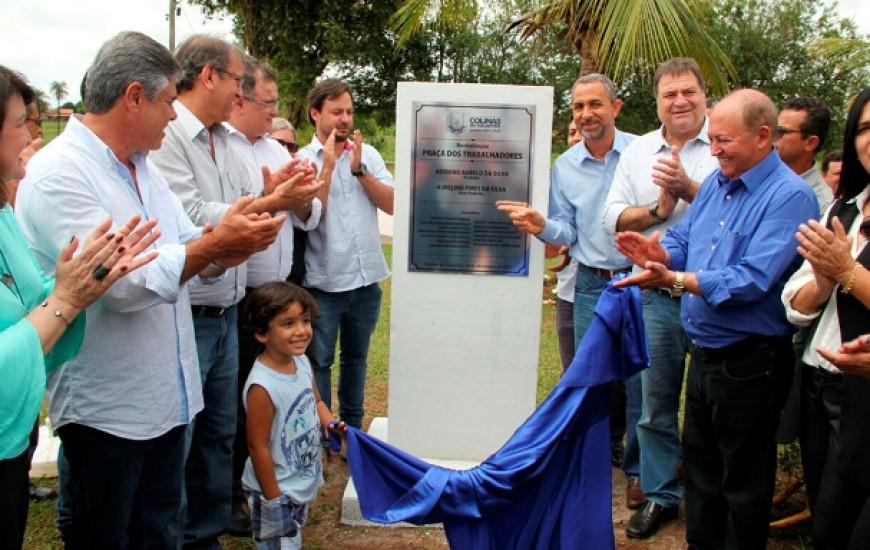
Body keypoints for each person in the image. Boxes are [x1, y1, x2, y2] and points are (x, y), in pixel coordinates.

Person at [16, 32, 285, 547]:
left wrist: (231, 241)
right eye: (167, 103)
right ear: (134, 97)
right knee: (107, 534)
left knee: (159, 530)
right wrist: (212, 248)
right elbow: (123, 284)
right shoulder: (60, 174)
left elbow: (186, 243)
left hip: (166, 402)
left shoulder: (141, 167)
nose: (172, 116)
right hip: (108, 413)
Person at [614, 88, 818, 549]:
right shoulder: (719, 185)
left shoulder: (790, 197)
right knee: (703, 478)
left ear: (763, 136)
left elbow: (750, 280)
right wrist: (658, 253)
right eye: (715, 138)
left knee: (742, 485)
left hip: (751, 365)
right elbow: (684, 238)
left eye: (724, 140)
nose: (716, 149)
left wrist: (675, 278)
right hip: (704, 359)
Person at [150, 35, 322, 547]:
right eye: (234, 82)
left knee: (218, 438)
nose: (240, 94)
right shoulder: (171, 137)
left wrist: (277, 192)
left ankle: (207, 533)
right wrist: (273, 199)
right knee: (180, 443)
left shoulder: (224, 139)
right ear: (208, 77)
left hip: (227, 309)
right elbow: (193, 220)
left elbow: (248, 201)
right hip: (190, 309)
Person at [0, 63, 157, 549]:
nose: (32, 131)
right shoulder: (56, 174)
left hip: (13, 437)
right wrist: (65, 299)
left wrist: (84, 275)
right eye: (21, 120)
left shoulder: (3, 214)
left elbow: (31, 298)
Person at [497, 72, 635, 492]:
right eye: (578, 107)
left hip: (641, 281)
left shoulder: (641, 153)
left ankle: (639, 471)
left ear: (616, 107)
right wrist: (541, 227)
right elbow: (568, 232)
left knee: (639, 380)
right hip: (592, 282)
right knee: (588, 375)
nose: (586, 114)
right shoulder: (565, 166)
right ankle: (590, 455)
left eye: (594, 104)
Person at [602, 57, 719, 539]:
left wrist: (687, 188)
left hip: (713, 296)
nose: (680, 101)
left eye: (688, 92)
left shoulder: (724, 141)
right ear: (657, 102)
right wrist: (656, 209)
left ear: (704, 94)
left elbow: (739, 204)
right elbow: (612, 220)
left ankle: (711, 495)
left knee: (714, 403)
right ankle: (661, 495)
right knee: (654, 402)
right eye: (669, 94)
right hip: (656, 295)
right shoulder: (639, 151)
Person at [226, 54, 322, 536]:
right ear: (237, 98)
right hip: (241, 298)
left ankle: (285, 472)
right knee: (246, 402)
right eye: (267, 102)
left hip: (277, 291)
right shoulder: (227, 147)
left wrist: (299, 195)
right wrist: (272, 199)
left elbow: (309, 209)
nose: (273, 111)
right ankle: (250, 490)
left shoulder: (272, 149)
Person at [781, 86, 870, 549]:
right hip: (819, 380)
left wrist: (846, 271)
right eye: (865, 128)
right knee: (827, 520)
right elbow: (795, 300)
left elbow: (842, 274)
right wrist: (822, 281)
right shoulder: (846, 207)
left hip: (864, 393)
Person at [296, 79, 394, 433]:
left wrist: (359, 171)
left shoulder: (366, 156)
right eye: (336, 111)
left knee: (357, 359)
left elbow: (394, 204)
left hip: (367, 280)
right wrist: (327, 166)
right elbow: (307, 216)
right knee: (319, 361)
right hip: (325, 282)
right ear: (315, 113)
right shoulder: (301, 160)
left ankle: (351, 429)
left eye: (349, 112)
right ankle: (324, 432)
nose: (345, 119)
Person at [239, 281, 346, 549]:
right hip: (276, 490)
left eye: (305, 321)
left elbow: (316, 401)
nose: (301, 331)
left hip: (298, 481)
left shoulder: (300, 361)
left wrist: (330, 423)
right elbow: (257, 446)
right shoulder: (263, 387)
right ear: (262, 333)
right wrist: (274, 499)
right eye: (288, 324)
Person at [547, 117, 582, 372]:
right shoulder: (560, 176)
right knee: (571, 369)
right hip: (569, 289)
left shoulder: (619, 171)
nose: (577, 138)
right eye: (572, 133)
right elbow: (549, 248)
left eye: (581, 132)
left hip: (608, 288)